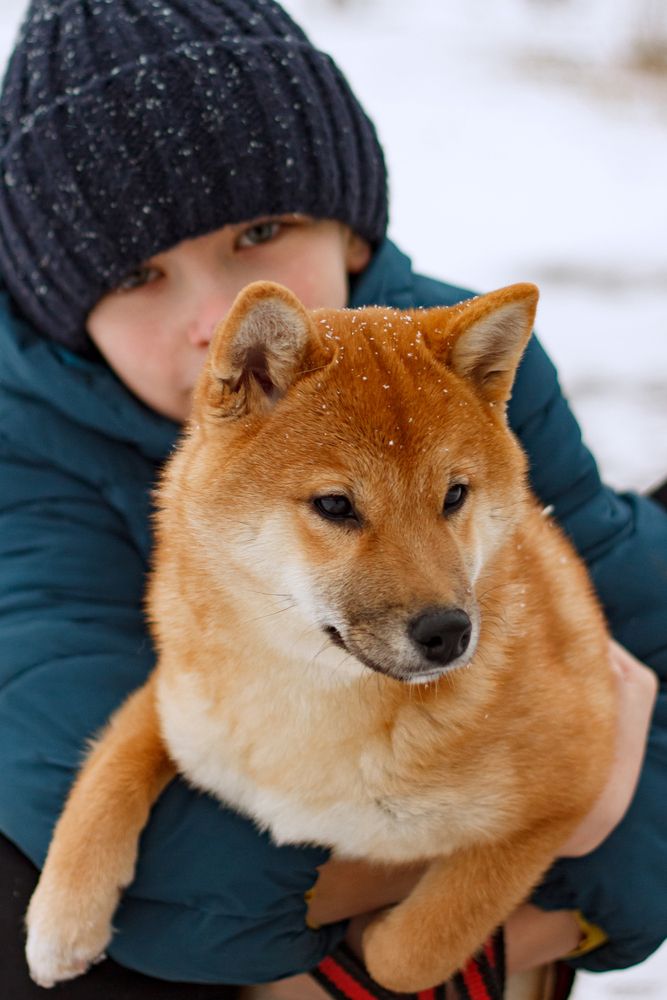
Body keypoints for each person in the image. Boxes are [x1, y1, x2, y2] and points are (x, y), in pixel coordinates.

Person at [0, 1, 664, 997]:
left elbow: (636, 614)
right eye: (139, 274)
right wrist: (521, 859)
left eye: (261, 232)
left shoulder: (460, 369)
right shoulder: (25, 451)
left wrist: (589, 859)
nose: (214, 317)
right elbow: (155, 853)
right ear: (60, 305)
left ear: (350, 233)